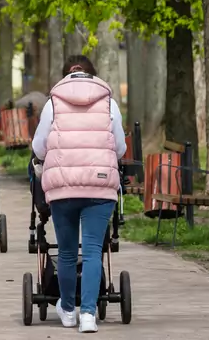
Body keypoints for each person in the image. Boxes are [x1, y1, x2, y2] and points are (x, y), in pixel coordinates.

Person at [31, 55, 127, 333]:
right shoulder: (110, 102)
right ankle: (88, 315)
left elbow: (39, 148)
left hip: (63, 187)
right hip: (100, 186)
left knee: (68, 252)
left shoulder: (53, 103)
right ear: (93, 74)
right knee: (94, 250)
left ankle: (68, 311)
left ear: (65, 75)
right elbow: (120, 148)